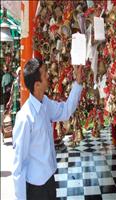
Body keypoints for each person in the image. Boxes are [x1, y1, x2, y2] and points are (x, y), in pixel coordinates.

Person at [12, 58, 83, 200]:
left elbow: (65, 111)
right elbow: (18, 165)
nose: (48, 76)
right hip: (36, 188)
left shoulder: (45, 104)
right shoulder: (25, 118)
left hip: (49, 180)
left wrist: (78, 83)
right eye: (45, 74)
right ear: (37, 85)